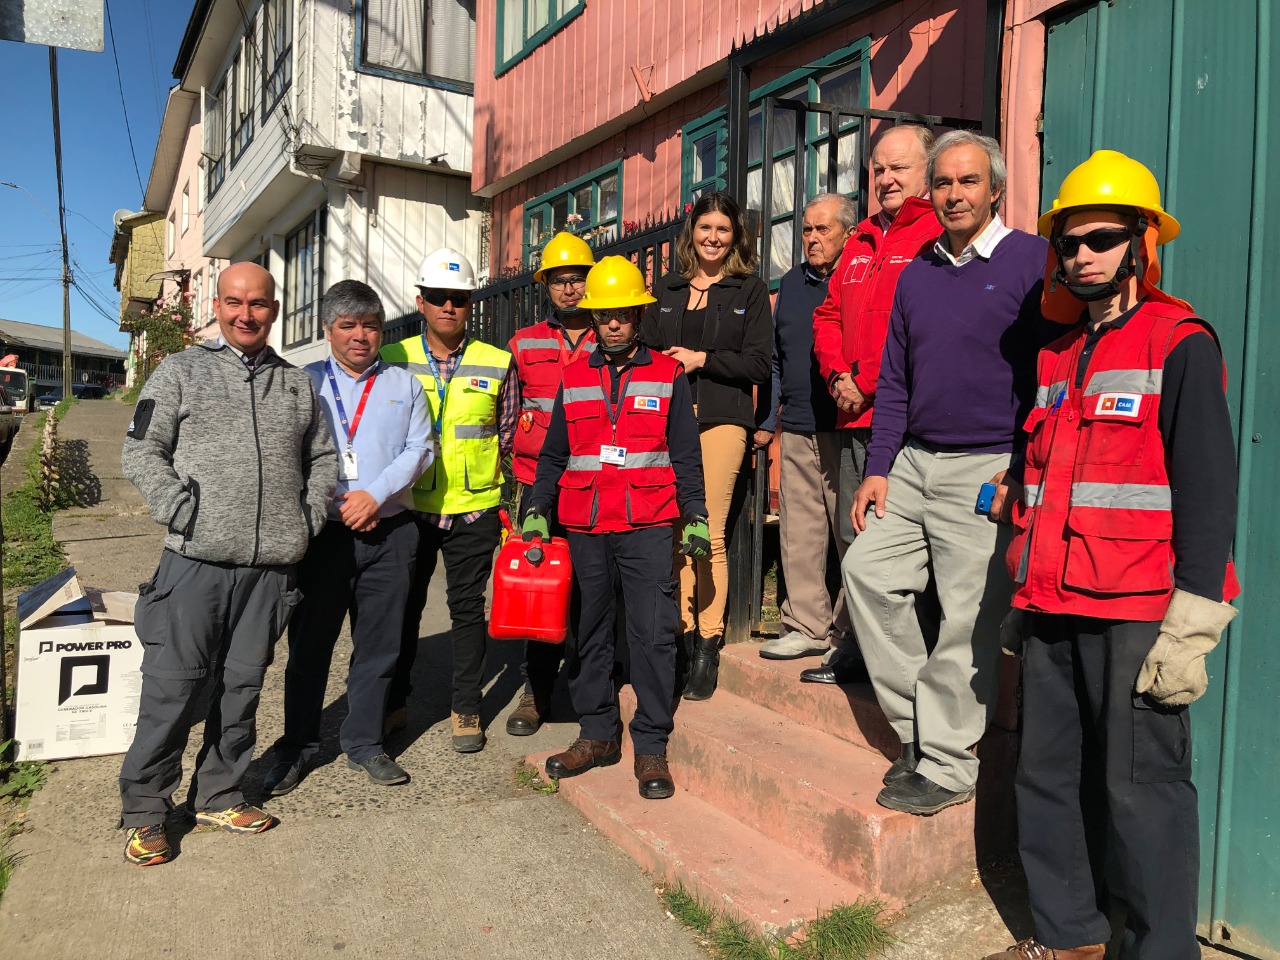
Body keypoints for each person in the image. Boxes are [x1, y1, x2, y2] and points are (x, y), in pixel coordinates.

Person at [982, 151, 1239, 960]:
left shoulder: (1179, 342)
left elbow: (1207, 489)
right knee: (1046, 779)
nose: (1083, 254)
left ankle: (1162, 951)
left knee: (1144, 796)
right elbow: (1045, 484)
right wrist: (1020, 595)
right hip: (1053, 606)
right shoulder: (1055, 357)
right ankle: (1071, 937)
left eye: (1101, 238)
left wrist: (1192, 623)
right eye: (1070, 242)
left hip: (1137, 614)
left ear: (1141, 244)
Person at [844, 131, 1051, 816]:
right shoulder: (918, 273)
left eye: (968, 182)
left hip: (988, 464)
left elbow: (1045, 377)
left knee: (966, 619)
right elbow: (896, 379)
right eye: (944, 183)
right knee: (867, 574)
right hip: (912, 463)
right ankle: (922, 734)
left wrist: (1023, 470)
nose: (955, 194)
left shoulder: (1031, 261)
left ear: (995, 188)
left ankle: (950, 766)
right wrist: (879, 468)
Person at [119, 261, 337, 866]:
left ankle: (218, 790)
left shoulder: (295, 384)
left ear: (274, 308)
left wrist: (308, 517)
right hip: (195, 565)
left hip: (271, 569)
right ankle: (146, 808)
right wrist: (180, 510)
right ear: (217, 306)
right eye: (236, 302)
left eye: (260, 304)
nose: (247, 314)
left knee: (242, 686)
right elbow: (141, 450)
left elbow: (323, 460)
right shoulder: (181, 371)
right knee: (174, 687)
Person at [524, 256, 708, 799]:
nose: (612, 323)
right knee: (590, 632)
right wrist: (538, 509)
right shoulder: (573, 376)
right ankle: (598, 734)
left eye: (622, 313)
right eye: (603, 314)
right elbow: (554, 455)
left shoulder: (666, 373)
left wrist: (695, 515)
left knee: (651, 633)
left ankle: (651, 744)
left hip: (649, 521)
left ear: (637, 315)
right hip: (585, 523)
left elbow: (685, 455)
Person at [264, 281, 433, 795]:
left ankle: (364, 744)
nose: (360, 336)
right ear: (328, 330)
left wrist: (373, 496)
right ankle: (298, 744)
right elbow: (285, 449)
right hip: (324, 534)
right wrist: (333, 499)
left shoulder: (405, 385)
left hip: (390, 531)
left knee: (379, 646)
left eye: (370, 325)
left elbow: (420, 450)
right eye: (348, 325)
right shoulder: (303, 382)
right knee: (310, 644)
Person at [803, 123, 942, 683]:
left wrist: (864, 378)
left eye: (898, 168)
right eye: (878, 169)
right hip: (852, 413)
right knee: (856, 536)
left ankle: (917, 662)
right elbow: (828, 315)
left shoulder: (935, 234)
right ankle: (861, 647)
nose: (885, 178)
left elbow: (921, 329)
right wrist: (837, 373)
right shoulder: (859, 241)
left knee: (907, 546)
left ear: (926, 173)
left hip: (904, 419)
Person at [381, 249, 515, 754]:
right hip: (409, 507)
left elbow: (506, 431)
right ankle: (394, 701)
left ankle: (466, 706)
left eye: (458, 299)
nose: (448, 307)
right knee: (402, 609)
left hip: (473, 506)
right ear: (421, 302)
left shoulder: (497, 361)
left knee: (466, 610)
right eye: (438, 298)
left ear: (470, 304)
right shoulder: (393, 359)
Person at [640, 191, 771, 700]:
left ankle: (706, 645)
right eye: (705, 228)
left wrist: (702, 359)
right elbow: (646, 349)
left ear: (735, 236)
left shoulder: (750, 289)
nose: (713, 237)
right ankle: (679, 632)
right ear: (690, 233)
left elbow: (759, 364)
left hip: (722, 420)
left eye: (723, 229)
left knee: (707, 531)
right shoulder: (667, 289)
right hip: (667, 422)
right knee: (672, 530)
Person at [755, 194, 857, 661]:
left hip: (847, 426)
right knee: (799, 532)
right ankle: (805, 625)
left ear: (847, 233)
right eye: (807, 231)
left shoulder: (860, 276)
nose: (813, 239)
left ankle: (851, 634)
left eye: (823, 230)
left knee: (851, 534)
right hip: (795, 426)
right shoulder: (792, 283)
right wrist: (771, 415)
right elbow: (777, 356)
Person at [503, 232, 597, 736]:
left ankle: (588, 690)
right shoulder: (523, 342)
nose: (570, 290)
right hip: (537, 483)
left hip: (594, 482)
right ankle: (534, 693)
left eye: (577, 279)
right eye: (560, 281)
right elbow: (510, 409)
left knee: (591, 590)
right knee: (539, 588)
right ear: (547, 287)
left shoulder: (611, 335)